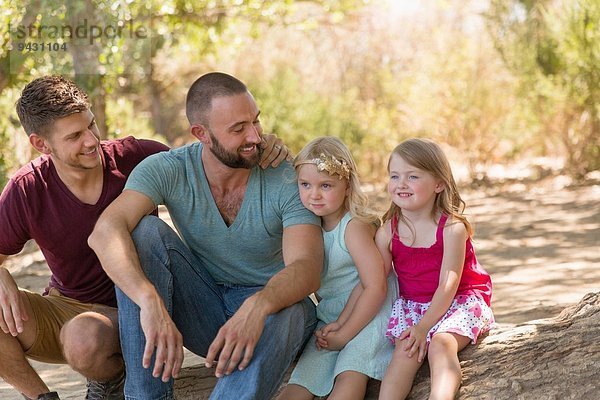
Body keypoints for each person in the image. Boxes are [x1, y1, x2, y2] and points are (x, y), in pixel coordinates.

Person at [0, 75, 288, 400]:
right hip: (71, 308)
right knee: (73, 331)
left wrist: (259, 146)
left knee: (89, 328)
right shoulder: (27, 190)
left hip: (143, 303)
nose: (92, 140)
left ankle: (123, 381)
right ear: (41, 144)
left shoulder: (137, 157)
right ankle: (48, 397)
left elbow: (210, 158)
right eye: (75, 136)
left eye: (91, 126)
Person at [87, 71, 324, 400]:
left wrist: (258, 305)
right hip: (203, 308)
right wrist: (148, 300)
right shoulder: (168, 168)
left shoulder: (283, 176)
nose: (255, 136)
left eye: (255, 121)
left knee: (296, 309)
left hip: (270, 314)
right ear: (201, 133)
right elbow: (104, 232)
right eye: (238, 129)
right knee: (144, 233)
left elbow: (307, 266)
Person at [278, 137, 397, 400]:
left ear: (347, 186)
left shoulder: (353, 227)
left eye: (326, 185)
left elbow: (375, 286)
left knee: (349, 373)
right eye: (305, 184)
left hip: (371, 309)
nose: (314, 194)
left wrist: (344, 334)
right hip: (332, 314)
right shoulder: (306, 229)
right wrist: (337, 329)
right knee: (301, 382)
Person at [376, 138, 495, 400]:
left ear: (439, 184)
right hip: (414, 306)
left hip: (459, 301)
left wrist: (423, 328)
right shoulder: (387, 233)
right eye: (394, 176)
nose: (401, 184)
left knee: (441, 344)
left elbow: (448, 285)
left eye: (413, 176)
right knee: (403, 354)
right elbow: (376, 282)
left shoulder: (452, 229)